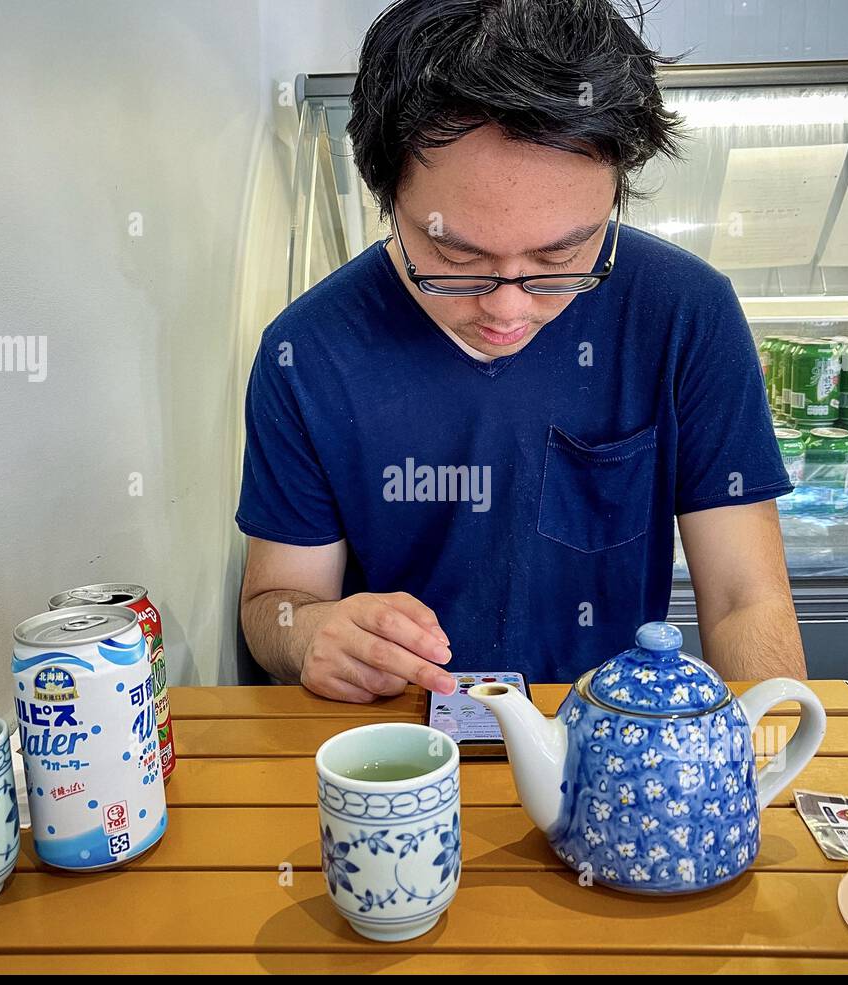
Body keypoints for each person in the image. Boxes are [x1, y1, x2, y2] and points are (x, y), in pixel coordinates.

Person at [236, 0, 805, 702]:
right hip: (404, 747)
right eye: (456, 254)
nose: (508, 307)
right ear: (387, 195)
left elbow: (744, 599)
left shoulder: (686, 313)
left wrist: (767, 764)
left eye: (562, 253)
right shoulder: (308, 352)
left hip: (608, 737)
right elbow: (275, 603)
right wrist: (314, 631)